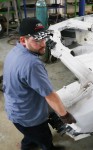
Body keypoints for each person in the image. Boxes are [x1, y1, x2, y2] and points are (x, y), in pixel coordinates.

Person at [2, 18, 76, 150]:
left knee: (30, 135)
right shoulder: (32, 64)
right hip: (28, 117)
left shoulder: (15, 51)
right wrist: (64, 115)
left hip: (16, 111)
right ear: (23, 40)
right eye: (37, 40)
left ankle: (27, 146)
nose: (43, 44)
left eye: (43, 38)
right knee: (45, 139)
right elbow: (50, 95)